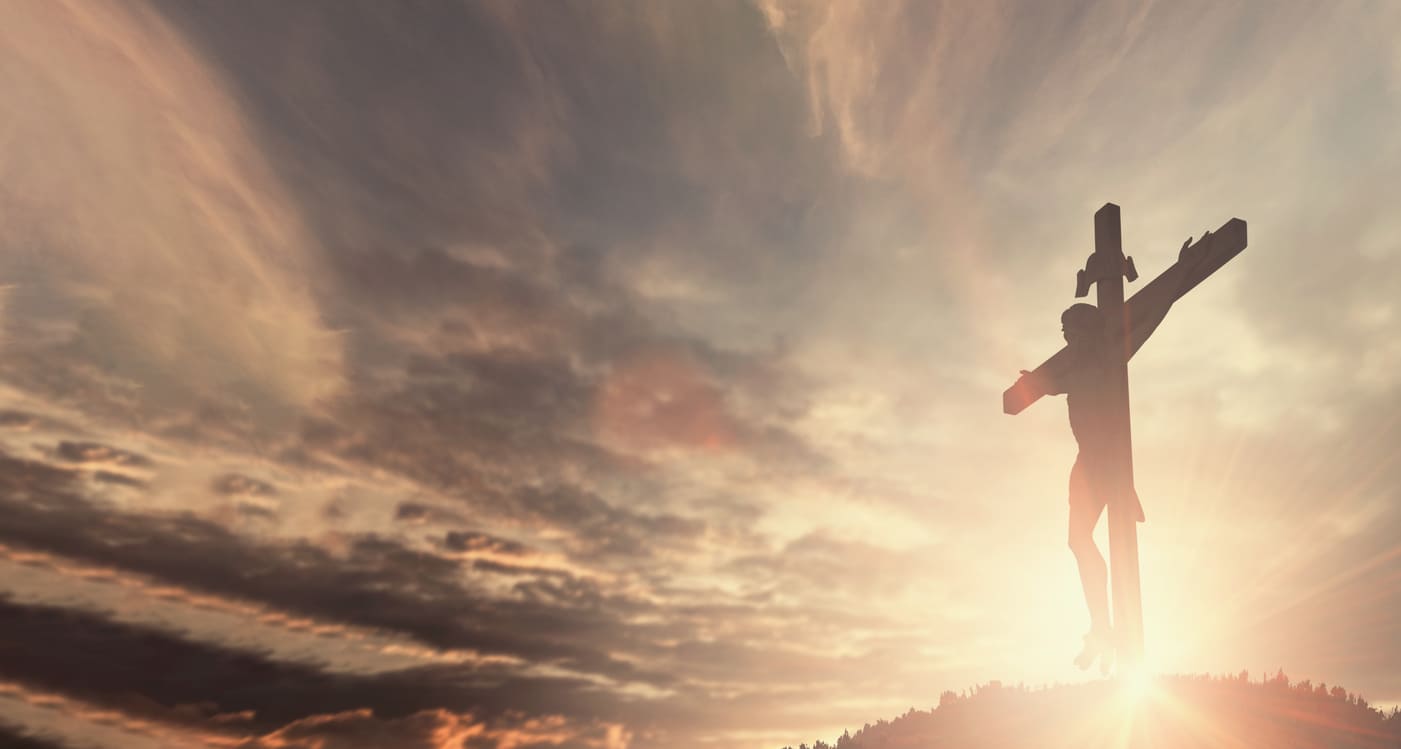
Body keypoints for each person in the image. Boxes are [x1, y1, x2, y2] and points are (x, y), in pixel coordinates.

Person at [1020, 235, 1206, 673]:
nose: (1066, 340)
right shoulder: (1070, 373)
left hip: (1110, 464)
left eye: (1072, 333)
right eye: (1063, 334)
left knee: (1117, 539)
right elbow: (1042, 384)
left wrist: (1181, 270)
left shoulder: (1110, 361)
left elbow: (1154, 310)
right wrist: (1031, 383)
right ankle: (1101, 625)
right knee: (1076, 540)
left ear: (1089, 332)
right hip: (1085, 467)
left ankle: (1118, 625)